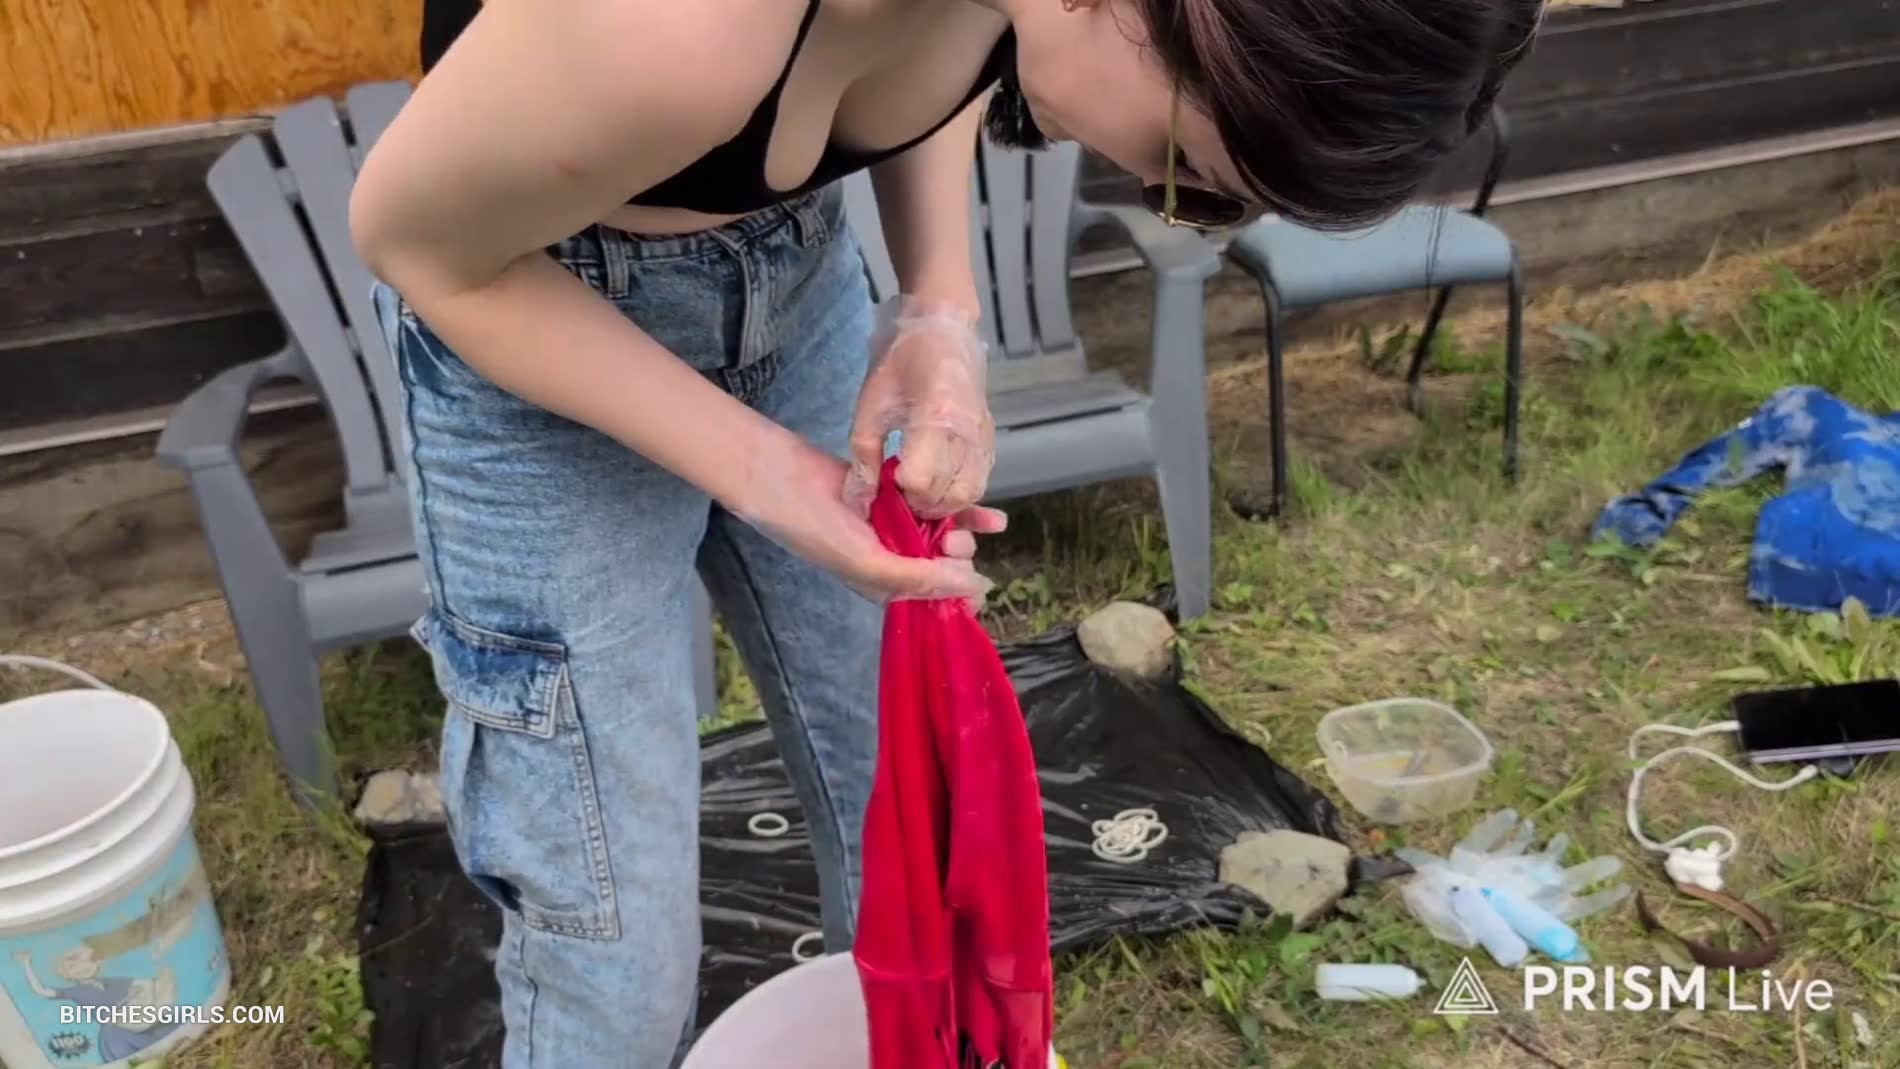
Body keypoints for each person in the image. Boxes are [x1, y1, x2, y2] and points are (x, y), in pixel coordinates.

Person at [348, 0, 1542, 1063]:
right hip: (531, 321)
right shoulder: (676, 27)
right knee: (615, 946)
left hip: (797, 280)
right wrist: (768, 476)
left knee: (908, 804)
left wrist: (938, 312)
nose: (1150, 183)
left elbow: (952, 46)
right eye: (1185, 166)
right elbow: (419, 248)